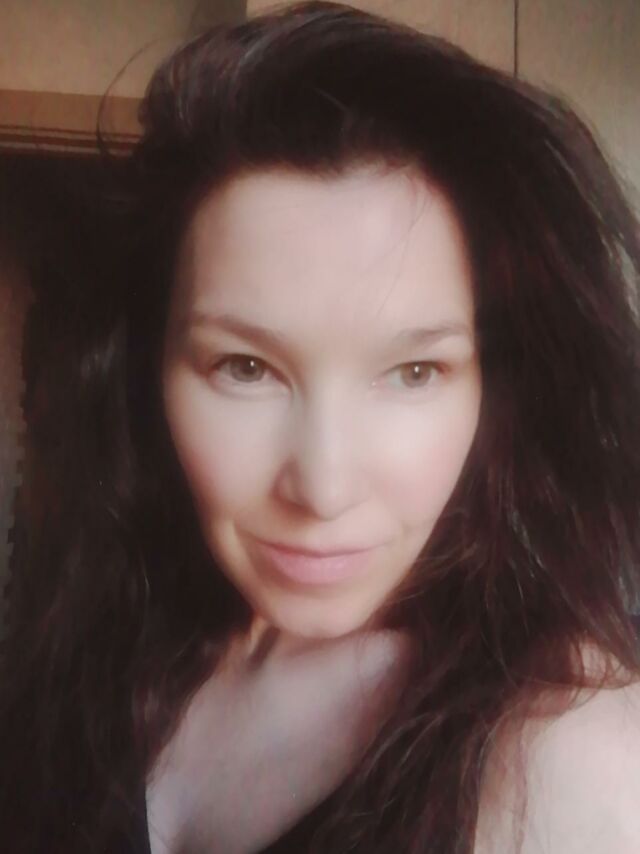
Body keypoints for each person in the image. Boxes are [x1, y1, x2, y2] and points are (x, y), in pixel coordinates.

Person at [2, 1, 640, 851]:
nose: (323, 488)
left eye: (414, 372)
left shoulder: (569, 756)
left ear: (499, 389)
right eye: (245, 367)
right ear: (148, 369)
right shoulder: (117, 623)